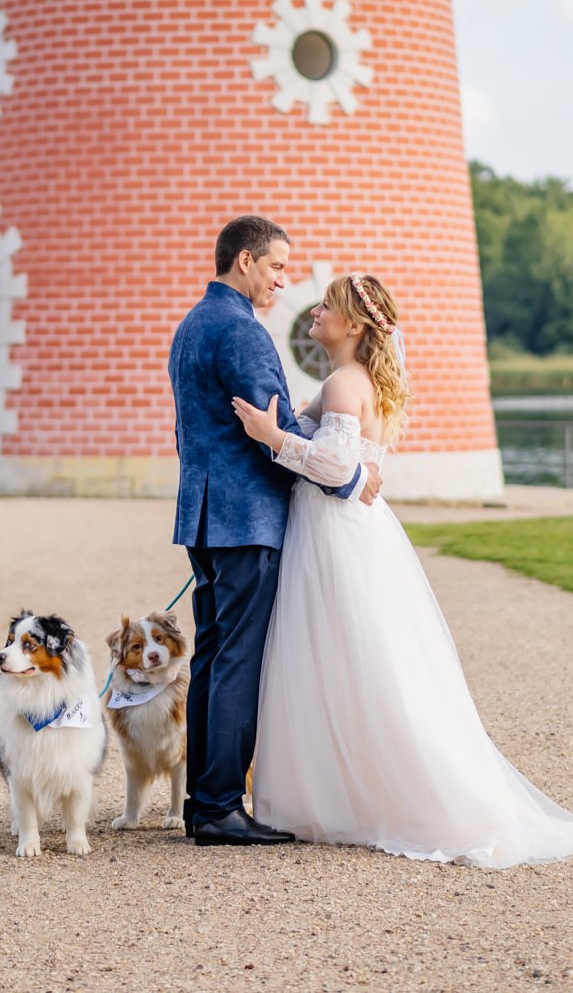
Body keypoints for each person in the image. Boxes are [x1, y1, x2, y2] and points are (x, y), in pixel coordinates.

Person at [232, 272, 573, 869]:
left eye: (325, 307)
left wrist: (271, 435)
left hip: (336, 533)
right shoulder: (352, 382)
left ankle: (367, 796)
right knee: (356, 657)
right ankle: (347, 792)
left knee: (348, 656)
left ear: (354, 325)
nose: (314, 315)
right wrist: (285, 427)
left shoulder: (342, 383)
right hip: (354, 531)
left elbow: (335, 470)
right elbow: (348, 461)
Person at [168, 218, 383, 848]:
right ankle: (218, 808)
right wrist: (349, 480)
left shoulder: (192, 325)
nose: (283, 281)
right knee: (236, 659)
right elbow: (274, 429)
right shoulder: (243, 332)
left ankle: (202, 802)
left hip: (205, 514)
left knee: (212, 655)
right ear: (244, 261)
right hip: (246, 519)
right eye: (277, 267)